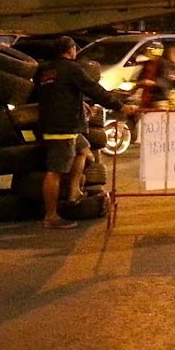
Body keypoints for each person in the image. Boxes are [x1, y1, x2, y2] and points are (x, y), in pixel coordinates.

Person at [35, 36, 133, 230]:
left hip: (50, 124)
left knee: (85, 151)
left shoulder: (45, 70)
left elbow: (54, 92)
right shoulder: (72, 68)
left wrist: (80, 103)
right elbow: (95, 90)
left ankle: (74, 192)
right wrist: (120, 106)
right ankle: (51, 216)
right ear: (71, 50)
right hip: (62, 128)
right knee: (55, 172)